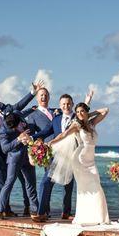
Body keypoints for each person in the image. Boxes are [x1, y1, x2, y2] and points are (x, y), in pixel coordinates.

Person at [49, 103, 110, 226]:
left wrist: (87, 116)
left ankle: (95, 217)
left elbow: (105, 110)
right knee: (88, 188)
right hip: (79, 159)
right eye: (77, 112)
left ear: (87, 111)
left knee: (95, 185)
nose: (79, 114)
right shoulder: (76, 125)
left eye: (82, 111)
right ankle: (93, 217)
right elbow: (64, 134)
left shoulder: (92, 123)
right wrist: (51, 142)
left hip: (91, 160)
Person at [34, 93, 78, 221]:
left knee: (68, 185)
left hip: (73, 154)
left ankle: (66, 212)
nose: (66, 106)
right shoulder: (56, 119)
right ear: (60, 105)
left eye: (69, 103)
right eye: (63, 104)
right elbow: (45, 132)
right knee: (46, 182)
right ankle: (41, 212)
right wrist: (33, 137)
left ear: (72, 104)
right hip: (56, 155)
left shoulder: (77, 117)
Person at [0, 111, 40, 220]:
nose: (18, 128)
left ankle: (35, 211)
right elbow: (5, 149)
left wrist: (30, 139)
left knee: (31, 184)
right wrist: (18, 139)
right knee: (9, 183)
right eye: (15, 128)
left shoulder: (19, 116)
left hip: (28, 156)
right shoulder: (3, 130)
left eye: (19, 125)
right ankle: (0, 210)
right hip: (14, 158)